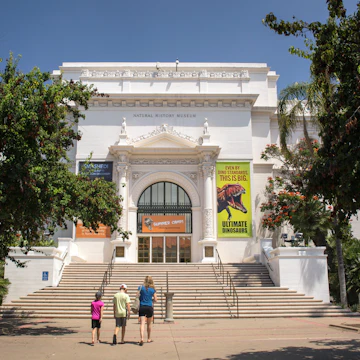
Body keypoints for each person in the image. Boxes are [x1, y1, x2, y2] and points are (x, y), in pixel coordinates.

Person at [137, 275, 157, 346]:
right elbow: (155, 299)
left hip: (142, 307)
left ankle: (142, 338)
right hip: (149, 307)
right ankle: (148, 338)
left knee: (142, 323)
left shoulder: (140, 288)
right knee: (149, 324)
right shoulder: (153, 289)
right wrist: (151, 301)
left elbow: (137, 296)